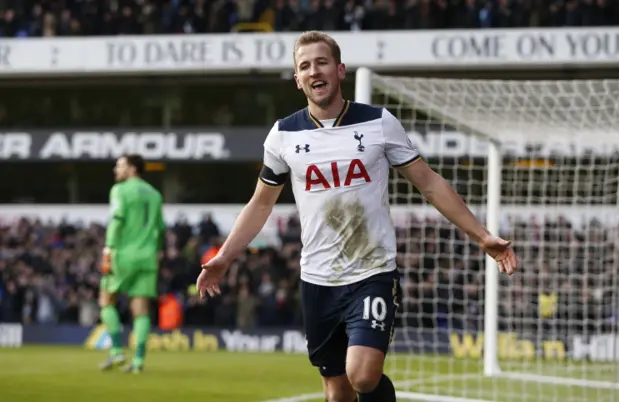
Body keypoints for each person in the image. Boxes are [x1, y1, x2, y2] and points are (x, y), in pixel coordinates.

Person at [197, 31, 518, 402]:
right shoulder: (283, 135)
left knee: (363, 375)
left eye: (322, 62)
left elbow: (429, 183)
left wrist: (482, 236)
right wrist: (225, 256)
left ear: (340, 70)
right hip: (317, 279)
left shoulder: (378, 122)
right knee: (338, 392)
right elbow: (260, 204)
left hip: (372, 271)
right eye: (305, 66)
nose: (314, 71)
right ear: (297, 79)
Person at [98, 154, 165, 374]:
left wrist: (108, 249)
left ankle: (117, 350)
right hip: (148, 256)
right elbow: (160, 228)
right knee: (141, 310)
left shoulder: (120, 190)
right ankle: (137, 362)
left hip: (124, 254)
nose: (115, 170)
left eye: (120, 166)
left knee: (106, 300)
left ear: (133, 169)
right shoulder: (155, 194)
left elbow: (117, 220)